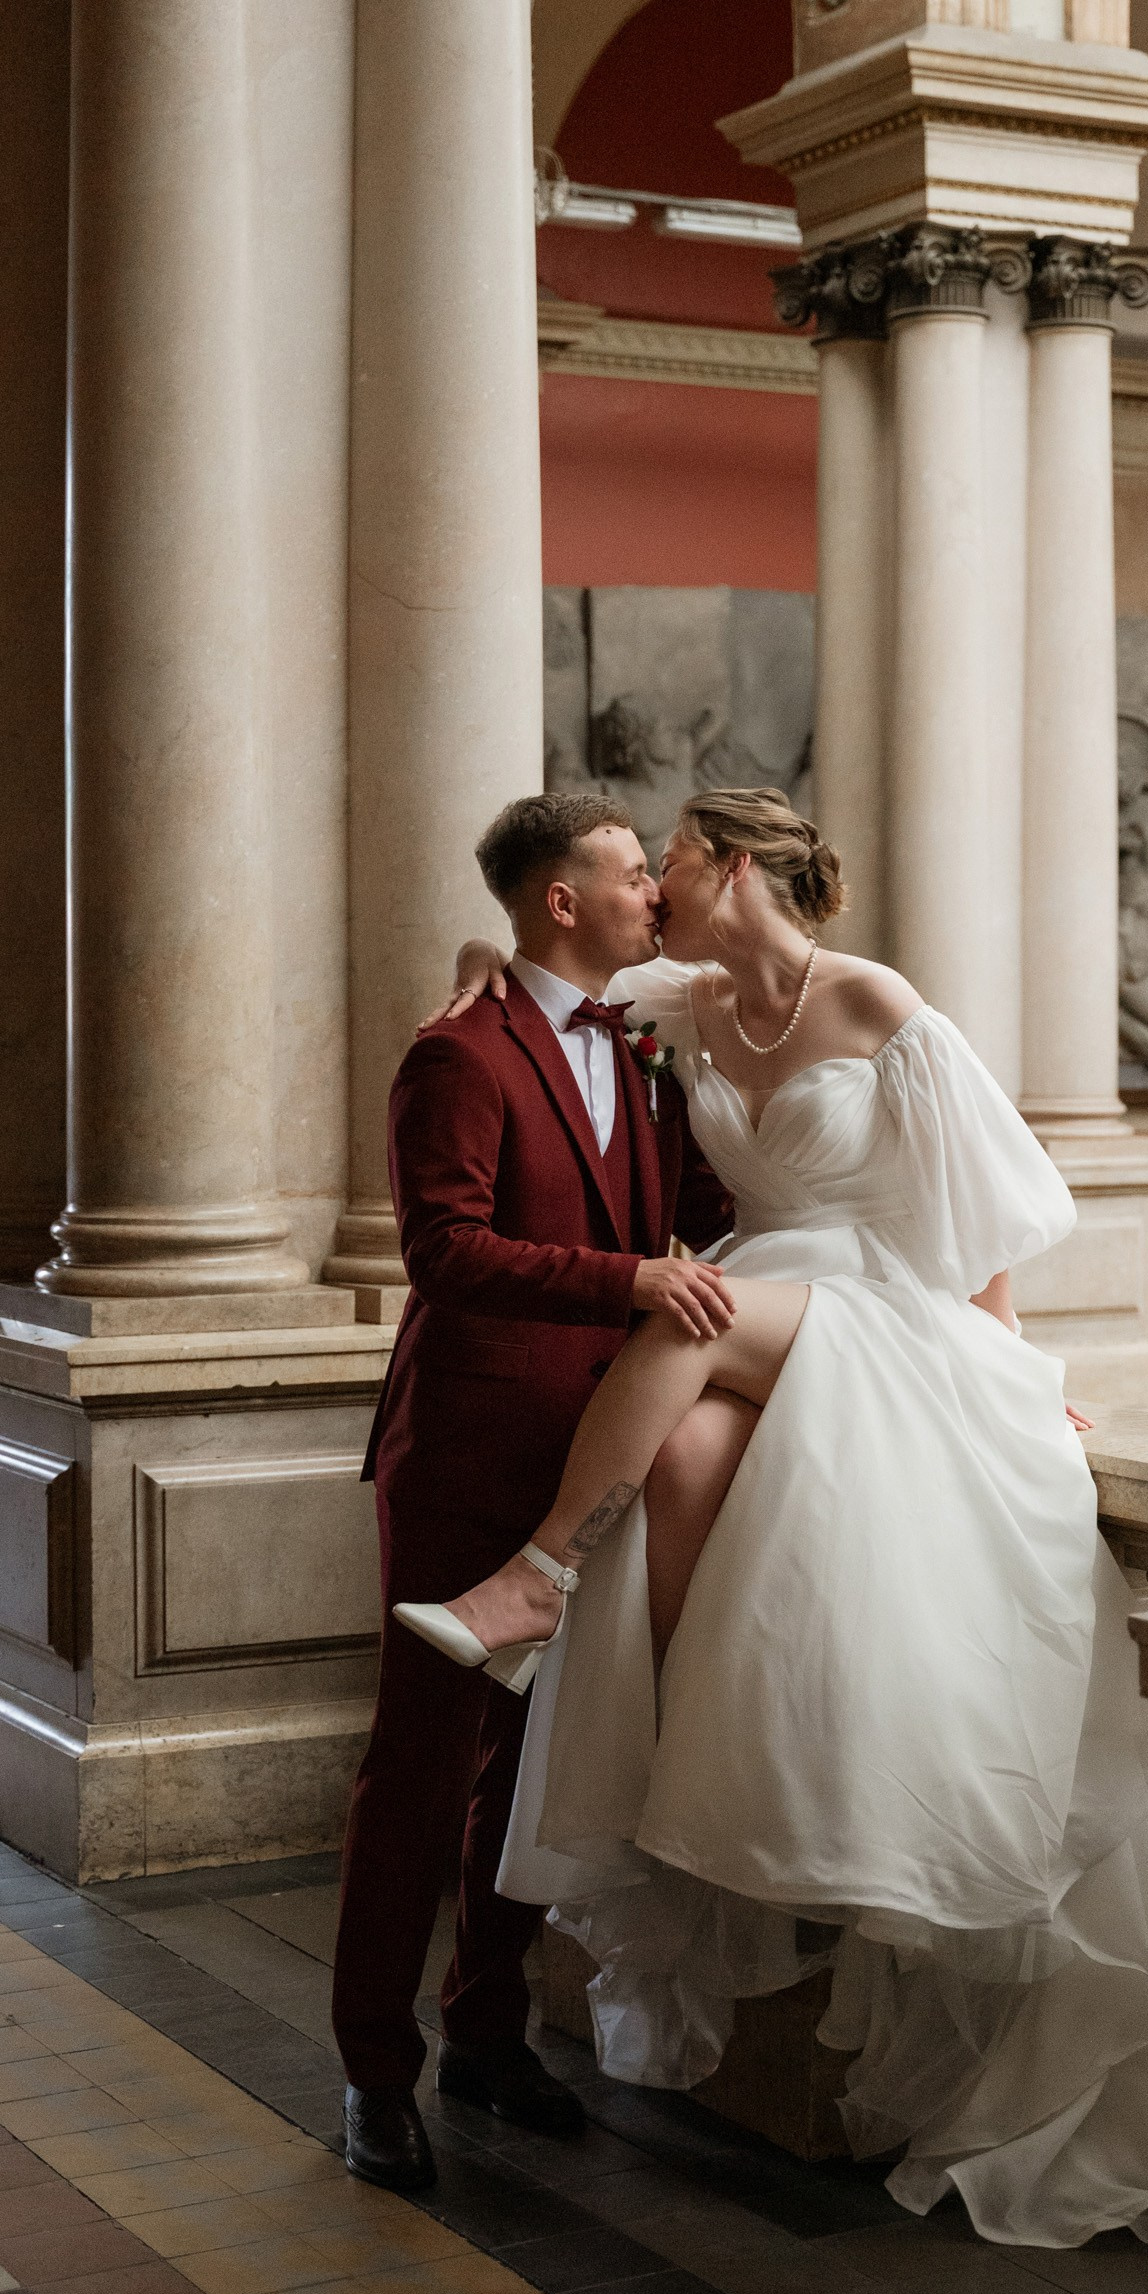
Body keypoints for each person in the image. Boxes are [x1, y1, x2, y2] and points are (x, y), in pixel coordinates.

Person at [410, 786, 1148, 2248]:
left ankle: (529, 1582)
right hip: (778, 1298)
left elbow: (978, 1213)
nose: (653, 887)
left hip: (880, 1307)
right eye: (637, 871)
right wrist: (476, 973)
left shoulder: (879, 1003)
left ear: (731, 866)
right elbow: (534, 975)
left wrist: (1014, 1375)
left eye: (672, 863)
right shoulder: (683, 996)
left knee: (684, 1327)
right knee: (687, 1466)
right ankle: (708, 1765)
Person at [329, 791, 731, 2191]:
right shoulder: (458, 1055)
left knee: (527, 1771)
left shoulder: (642, 1048)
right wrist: (628, 1281)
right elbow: (445, 1252)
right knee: (421, 1770)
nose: (653, 897)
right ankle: (375, 2074)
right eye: (631, 876)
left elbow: (705, 1201)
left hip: (592, 1465)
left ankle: (487, 2040)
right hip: (464, 1457)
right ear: (559, 899)